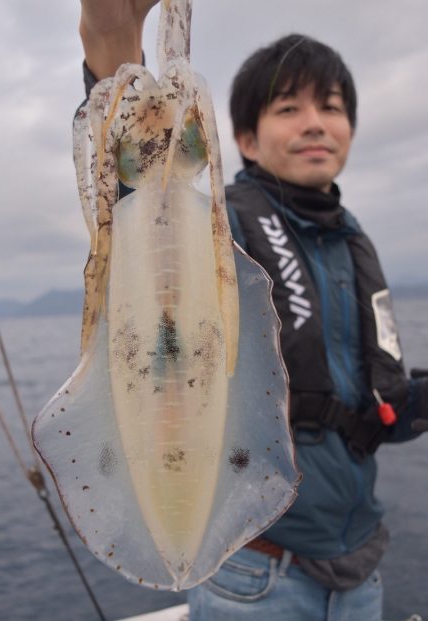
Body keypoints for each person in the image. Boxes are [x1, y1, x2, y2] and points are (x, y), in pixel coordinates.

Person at [78, 2, 428, 619]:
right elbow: (140, 180)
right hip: (257, 575)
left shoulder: (353, 244)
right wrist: (113, 40)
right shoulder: (220, 223)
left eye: (333, 107)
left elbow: (381, 403)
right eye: (289, 109)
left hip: (359, 572)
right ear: (242, 138)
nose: (315, 123)